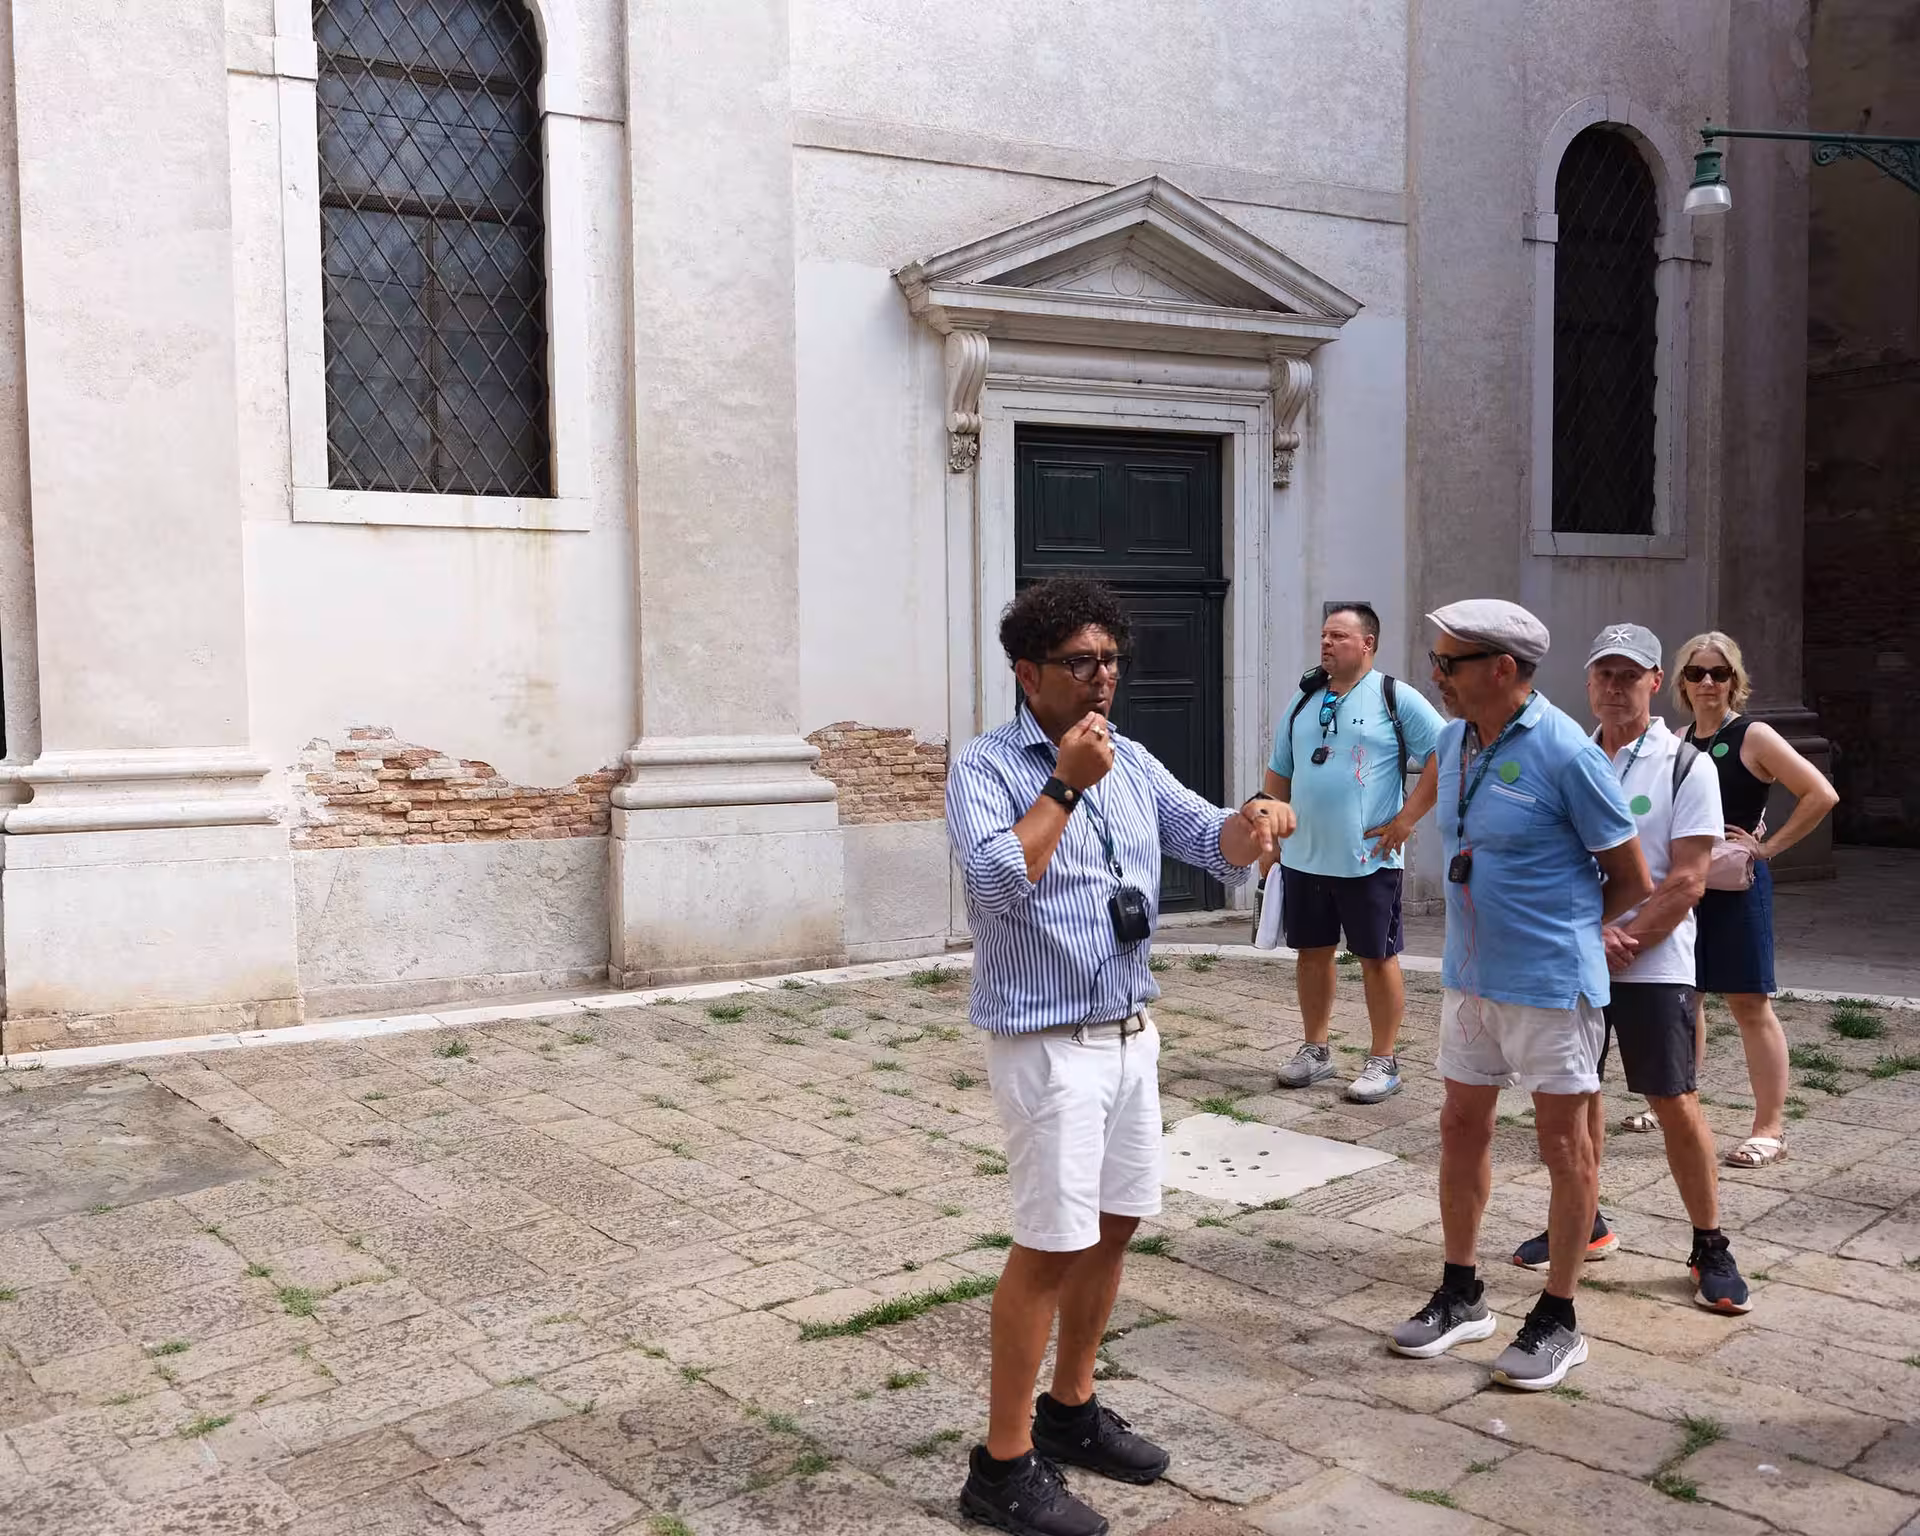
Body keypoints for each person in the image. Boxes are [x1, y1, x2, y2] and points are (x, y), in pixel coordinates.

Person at [945, 575, 1282, 1536]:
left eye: (1111, 663)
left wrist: (1255, 819)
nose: (1102, 681)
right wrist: (1062, 785)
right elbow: (998, 889)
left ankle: (1070, 1412)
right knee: (1048, 1244)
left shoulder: (1129, 759)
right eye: (1080, 663)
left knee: (1115, 1223)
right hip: (1048, 1044)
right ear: (1028, 673)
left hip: (1131, 1032)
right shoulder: (986, 766)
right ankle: (1001, 1469)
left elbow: (1209, 846)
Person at [1388, 599, 1651, 1391]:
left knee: (1565, 1149)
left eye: (1449, 662)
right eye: (1436, 660)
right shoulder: (1452, 739)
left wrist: (1571, 931)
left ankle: (1558, 1316)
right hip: (1470, 977)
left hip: (1548, 985)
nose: (1435, 674)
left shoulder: (1568, 752)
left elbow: (1632, 878)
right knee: (1460, 1126)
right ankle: (1462, 1290)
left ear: (1501, 669)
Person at [1507, 624, 1751, 1314]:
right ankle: (1584, 1222)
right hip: (1572, 959)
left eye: (1628, 675)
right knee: (1573, 1097)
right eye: (1602, 675)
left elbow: (1688, 879)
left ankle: (1710, 1242)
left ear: (1653, 682)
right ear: (1588, 684)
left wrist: (1625, 941)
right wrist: (1584, 938)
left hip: (1654, 963)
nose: (1614, 687)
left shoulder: (1683, 765)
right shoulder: (1566, 758)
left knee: (1671, 1100)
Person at [1263, 604, 1445, 1103]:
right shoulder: (1304, 700)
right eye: (1323, 635)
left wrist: (1407, 819)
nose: (1326, 644)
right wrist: (1270, 838)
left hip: (1368, 859)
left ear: (1367, 643)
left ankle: (1383, 1060)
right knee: (1311, 956)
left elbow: (1446, 753)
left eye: (1339, 636)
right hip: (1304, 856)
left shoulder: (1394, 697)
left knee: (1377, 957)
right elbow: (1279, 772)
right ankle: (1315, 1050)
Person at [1676, 631, 1839, 1169]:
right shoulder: (1679, 740)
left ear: (1734, 681)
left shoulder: (1754, 736)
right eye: (1696, 672)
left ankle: (1769, 1128)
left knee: (1749, 1003)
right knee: (1687, 995)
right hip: (1689, 886)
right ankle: (1679, 1102)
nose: (1706, 682)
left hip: (1738, 885)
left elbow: (1821, 793)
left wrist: (1768, 848)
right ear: (1681, 681)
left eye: (1718, 673)